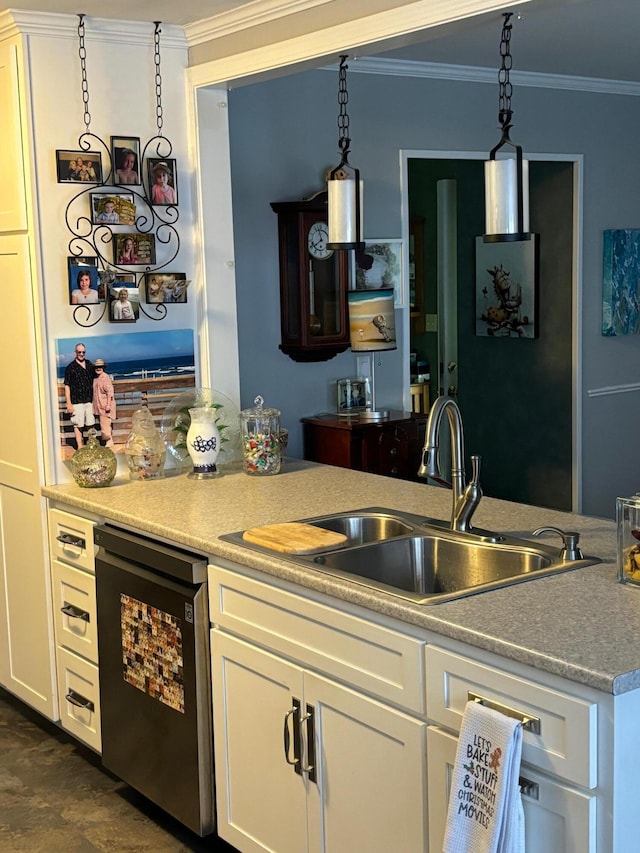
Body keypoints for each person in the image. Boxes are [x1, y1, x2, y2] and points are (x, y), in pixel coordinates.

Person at [64, 343, 95, 448]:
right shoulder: (70, 368)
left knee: (90, 423)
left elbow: (97, 376)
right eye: (79, 352)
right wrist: (68, 403)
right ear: (75, 353)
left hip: (89, 400)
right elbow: (67, 386)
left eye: (83, 352)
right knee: (78, 425)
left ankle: (91, 445)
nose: (81, 354)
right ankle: (80, 446)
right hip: (76, 401)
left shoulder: (89, 364)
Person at [92, 358, 116, 448]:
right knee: (104, 425)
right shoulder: (96, 379)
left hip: (105, 406)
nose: (98, 369)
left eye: (100, 367)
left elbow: (110, 392)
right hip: (99, 406)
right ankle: (109, 441)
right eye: (97, 367)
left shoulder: (105, 377)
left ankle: (109, 442)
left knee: (105, 425)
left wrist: (108, 405)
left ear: (103, 368)